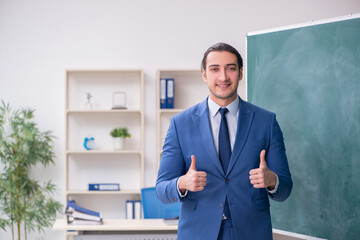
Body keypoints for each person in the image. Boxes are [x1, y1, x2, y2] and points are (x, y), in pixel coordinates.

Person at [156, 42, 292, 240]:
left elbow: (285, 188)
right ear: (204, 74)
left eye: (231, 68)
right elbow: (161, 189)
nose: (223, 77)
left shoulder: (266, 121)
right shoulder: (180, 124)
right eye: (214, 69)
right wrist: (182, 183)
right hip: (198, 233)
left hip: (252, 232)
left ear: (241, 73)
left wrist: (272, 181)